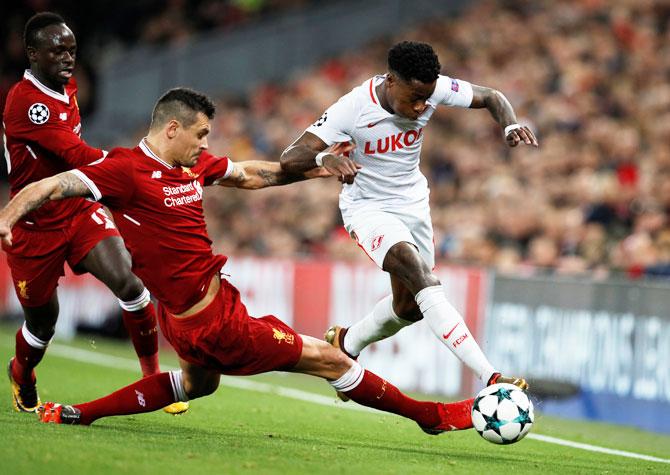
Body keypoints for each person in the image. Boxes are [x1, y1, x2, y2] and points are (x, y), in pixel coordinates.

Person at [0, 87, 484, 433]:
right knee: (332, 360)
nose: (206, 144)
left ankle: (79, 413)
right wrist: (8, 216)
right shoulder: (125, 171)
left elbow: (251, 174)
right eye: (201, 134)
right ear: (172, 128)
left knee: (197, 383)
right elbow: (52, 185)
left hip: (187, 320)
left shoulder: (190, 165)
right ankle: (433, 418)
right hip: (216, 324)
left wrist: (318, 167)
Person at [280, 41, 537, 398]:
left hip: (413, 204)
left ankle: (346, 341)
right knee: (420, 275)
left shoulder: (432, 90)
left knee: (409, 307)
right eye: (414, 97)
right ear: (391, 81)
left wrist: (510, 125)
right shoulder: (354, 107)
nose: (421, 107)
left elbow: (492, 96)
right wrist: (324, 159)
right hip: (368, 208)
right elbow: (290, 156)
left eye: (427, 98)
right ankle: (492, 378)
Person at [2, 12, 186, 415]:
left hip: (76, 207)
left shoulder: (67, 84)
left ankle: (151, 377)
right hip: (33, 224)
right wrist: (136, 164)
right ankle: (21, 371)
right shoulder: (26, 103)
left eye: (71, 49)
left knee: (129, 282)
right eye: (57, 51)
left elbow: (78, 164)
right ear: (33, 54)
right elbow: (77, 155)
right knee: (42, 325)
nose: (68, 58)